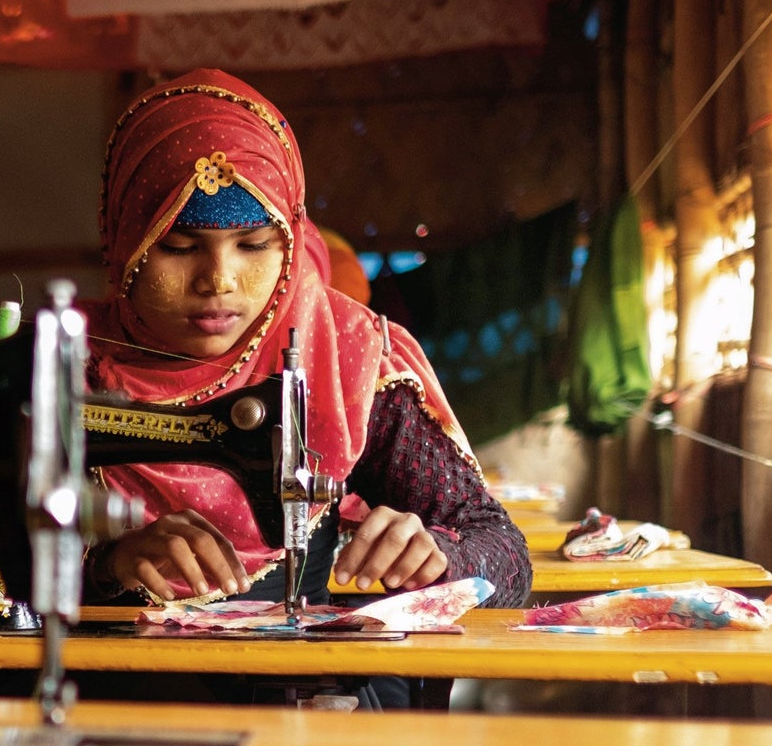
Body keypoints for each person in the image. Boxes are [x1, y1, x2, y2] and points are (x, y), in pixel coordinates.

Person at [86, 70, 529, 611]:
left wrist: (441, 555)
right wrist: (105, 566)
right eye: (178, 247)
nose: (218, 280)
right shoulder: (58, 366)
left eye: (253, 244)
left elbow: (505, 556)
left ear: (291, 244)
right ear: (125, 244)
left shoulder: (347, 358)